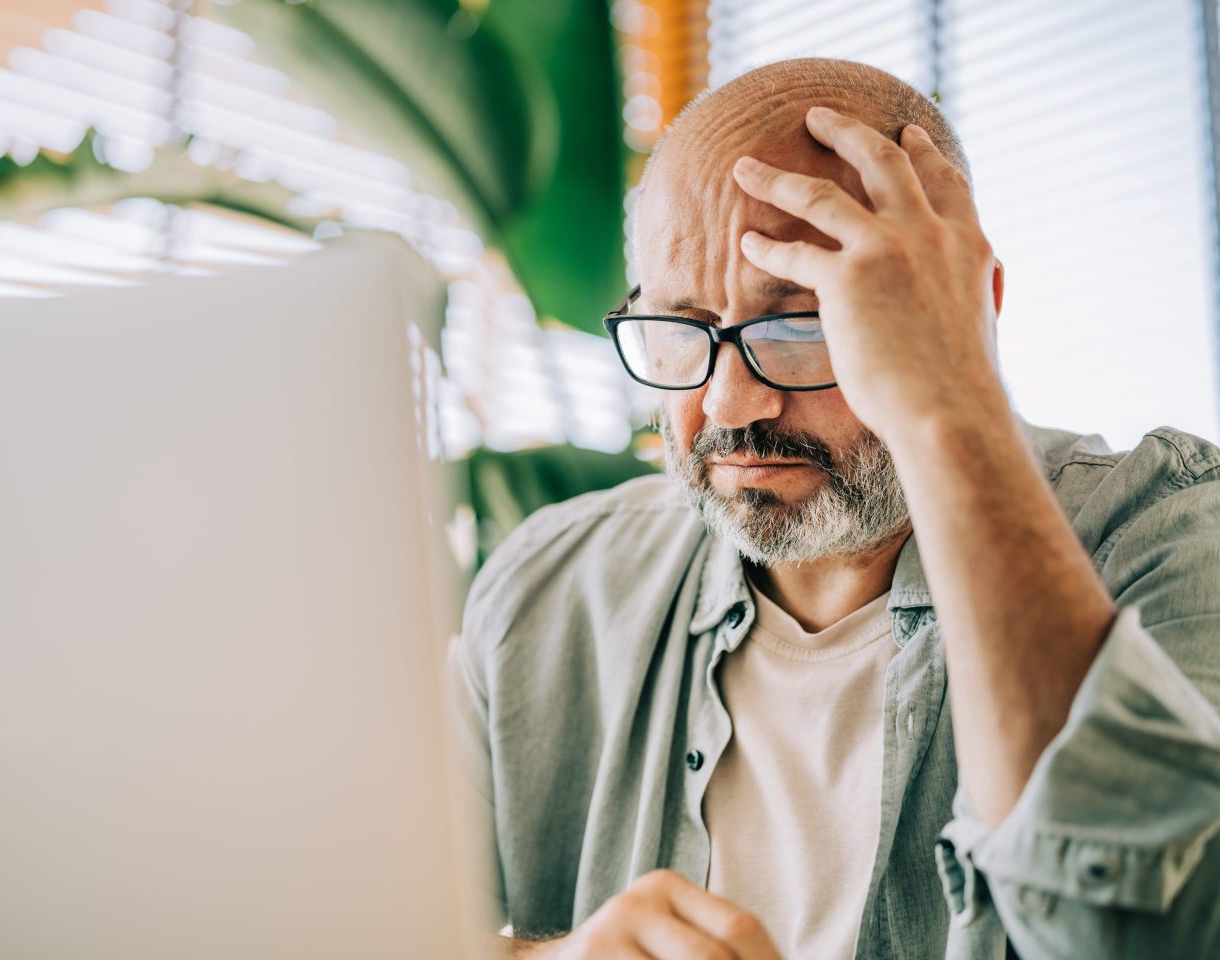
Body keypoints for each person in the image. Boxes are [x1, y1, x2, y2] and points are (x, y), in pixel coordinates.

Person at [450, 57, 1220, 960]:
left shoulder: (1167, 537)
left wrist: (951, 407)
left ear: (965, 310)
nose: (731, 405)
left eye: (800, 326)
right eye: (681, 329)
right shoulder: (552, 588)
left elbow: (1147, 936)